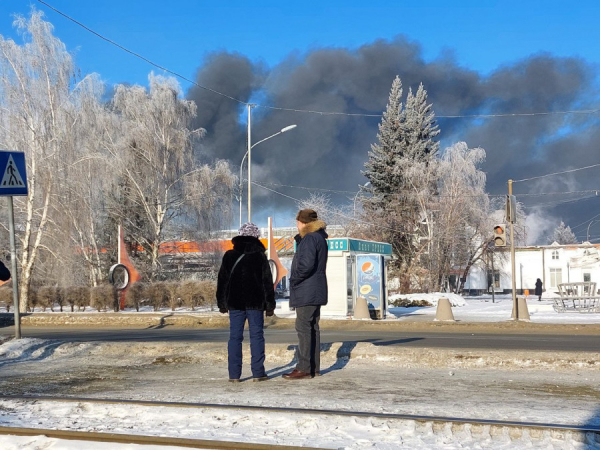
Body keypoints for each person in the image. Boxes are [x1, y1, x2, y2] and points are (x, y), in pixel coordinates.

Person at [216, 222, 275, 382]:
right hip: (256, 303)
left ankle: (234, 375)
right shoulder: (260, 257)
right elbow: (267, 283)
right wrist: (270, 305)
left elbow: (222, 281)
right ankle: (258, 373)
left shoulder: (229, 256)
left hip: (235, 303)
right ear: (256, 237)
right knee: (256, 337)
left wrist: (221, 303)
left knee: (235, 337)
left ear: (240, 236)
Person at [283, 209, 328, 380]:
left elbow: (306, 265)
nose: (296, 224)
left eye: (297, 221)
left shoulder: (309, 238)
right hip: (315, 289)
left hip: (306, 290)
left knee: (303, 328)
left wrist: (294, 278)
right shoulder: (319, 238)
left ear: (303, 222)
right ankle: (313, 368)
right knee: (312, 328)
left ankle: (303, 367)